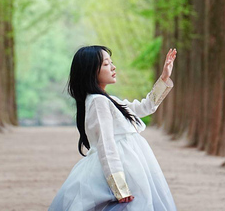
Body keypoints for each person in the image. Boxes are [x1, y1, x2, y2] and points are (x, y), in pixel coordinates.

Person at [48, 45, 178, 211]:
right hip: (122, 167)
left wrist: (164, 78)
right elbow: (106, 144)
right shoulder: (98, 102)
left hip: (130, 164)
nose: (113, 67)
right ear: (91, 71)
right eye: (106, 64)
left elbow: (146, 107)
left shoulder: (108, 99)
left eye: (111, 62)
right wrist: (119, 187)